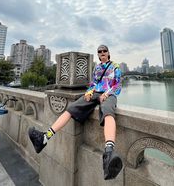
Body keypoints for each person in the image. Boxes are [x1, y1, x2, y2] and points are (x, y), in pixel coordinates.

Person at [28, 45, 123, 180]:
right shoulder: (96, 68)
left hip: (109, 94)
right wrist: (89, 92)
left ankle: (109, 152)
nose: (102, 53)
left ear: (108, 53)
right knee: (72, 108)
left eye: (104, 51)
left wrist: (107, 94)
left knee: (108, 111)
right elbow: (93, 84)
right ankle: (44, 138)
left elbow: (117, 85)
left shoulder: (115, 66)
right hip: (95, 93)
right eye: (99, 51)